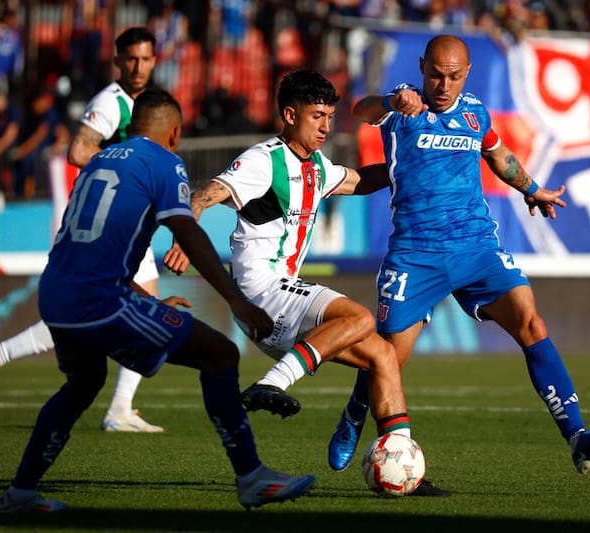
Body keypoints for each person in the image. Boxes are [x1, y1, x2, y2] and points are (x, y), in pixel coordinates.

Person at [0, 88, 315, 513]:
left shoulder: (98, 161)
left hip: (56, 293)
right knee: (219, 354)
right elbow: (188, 231)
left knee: (84, 383)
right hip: (101, 300)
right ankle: (252, 477)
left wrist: (148, 300)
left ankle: (19, 494)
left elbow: (97, 247)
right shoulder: (164, 162)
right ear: (175, 133)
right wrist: (236, 300)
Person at [325, 34, 590, 480]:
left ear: (466, 74)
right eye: (435, 75)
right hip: (415, 255)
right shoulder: (401, 107)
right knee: (387, 359)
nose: (443, 85)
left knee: (531, 323)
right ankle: (353, 413)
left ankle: (578, 438)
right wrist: (391, 98)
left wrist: (532, 189)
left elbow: (496, 152)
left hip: (476, 247)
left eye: (454, 77)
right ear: (422, 66)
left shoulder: (474, 112)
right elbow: (360, 111)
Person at [162, 69, 443, 495]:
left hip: (280, 303)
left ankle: (402, 465)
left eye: (330, 116)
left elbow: (357, 181)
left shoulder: (316, 166)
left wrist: (408, 166)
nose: (327, 126)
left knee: (383, 356)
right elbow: (208, 192)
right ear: (290, 115)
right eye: (317, 116)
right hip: (262, 292)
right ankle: (272, 382)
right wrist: (187, 232)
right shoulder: (264, 160)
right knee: (360, 317)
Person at [0, 27, 164, 433]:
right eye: (131, 59)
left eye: (145, 59)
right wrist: (126, 165)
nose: (139, 66)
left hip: (126, 219)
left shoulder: (144, 103)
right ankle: (114, 407)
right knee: (125, 313)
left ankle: (119, 407)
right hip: (110, 222)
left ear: (155, 61)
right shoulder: (110, 103)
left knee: (128, 312)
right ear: (117, 61)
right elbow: (78, 151)